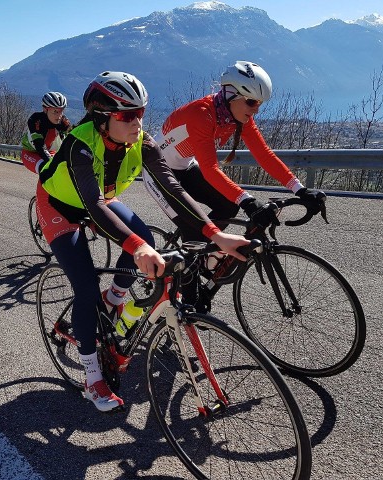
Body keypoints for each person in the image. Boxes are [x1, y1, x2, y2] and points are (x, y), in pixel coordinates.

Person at [37, 71, 250, 413]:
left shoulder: (142, 142)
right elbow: (93, 206)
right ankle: (92, 376)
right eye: (127, 115)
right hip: (61, 206)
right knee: (88, 287)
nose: (137, 122)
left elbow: (173, 188)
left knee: (146, 237)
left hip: (100, 201)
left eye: (141, 113)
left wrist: (216, 234)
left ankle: (116, 298)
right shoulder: (80, 145)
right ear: (102, 118)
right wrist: (136, 248)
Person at [145, 61, 326, 246]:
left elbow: (264, 154)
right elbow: (210, 169)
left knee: (228, 206)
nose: (257, 109)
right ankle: (182, 267)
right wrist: (247, 201)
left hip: (185, 166)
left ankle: (204, 255)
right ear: (231, 95)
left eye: (260, 103)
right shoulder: (200, 114)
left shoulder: (237, 116)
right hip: (157, 172)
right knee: (195, 228)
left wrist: (300, 189)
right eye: (252, 102)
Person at [21, 91, 71, 174]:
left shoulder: (64, 122)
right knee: (48, 171)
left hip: (51, 151)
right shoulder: (36, 120)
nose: (59, 116)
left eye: (61, 111)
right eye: (55, 111)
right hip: (31, 152)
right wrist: (53, 164)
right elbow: (40, 146)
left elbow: (69, 143)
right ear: (45, 109)